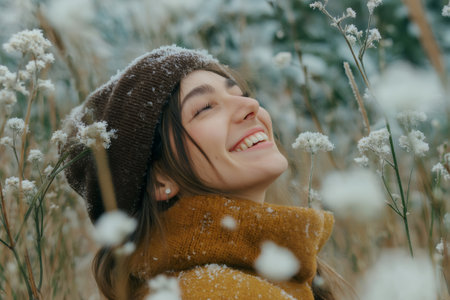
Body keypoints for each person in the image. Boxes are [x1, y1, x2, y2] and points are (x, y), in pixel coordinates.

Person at [62, 46, 350, 300]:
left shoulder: (228, 281)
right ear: (160, 178)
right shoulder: (218, 293)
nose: (251, 106)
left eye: (241, 94)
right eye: (205, 108)